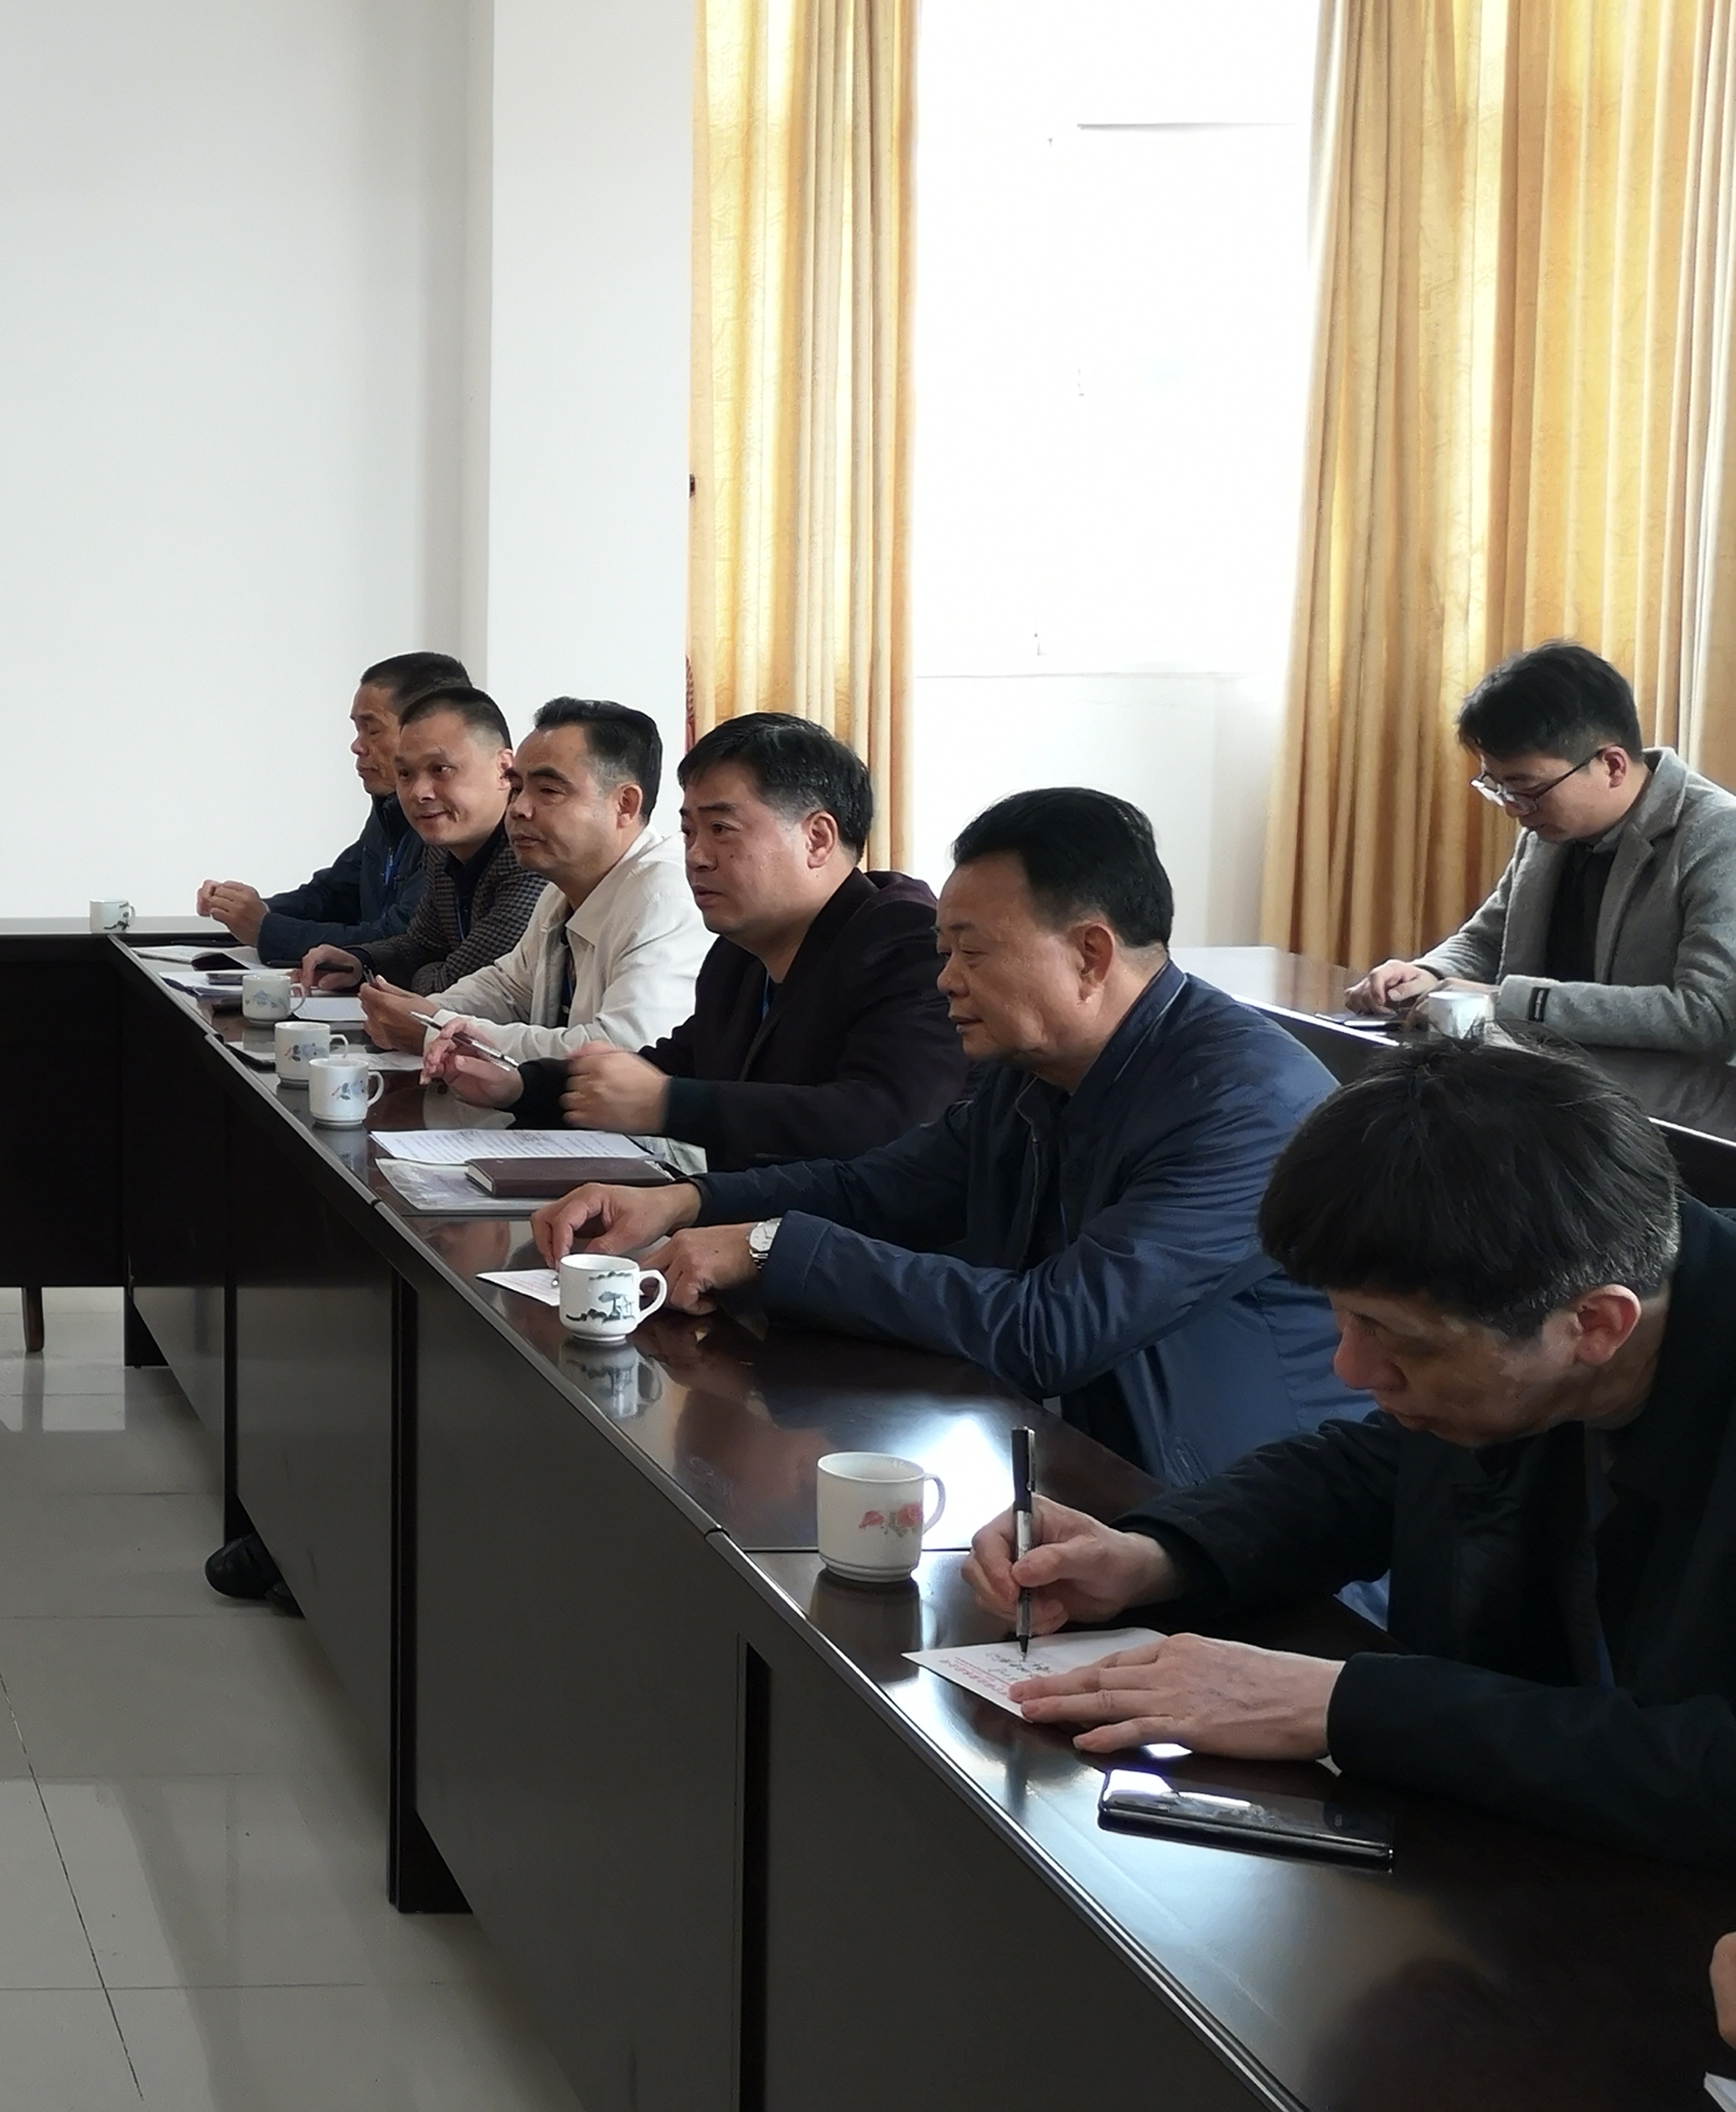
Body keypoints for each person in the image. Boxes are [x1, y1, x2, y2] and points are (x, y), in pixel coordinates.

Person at [968, 1044, 1736, 1872]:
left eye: (1400, 1339)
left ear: (1595, 1325)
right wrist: (1151, 1555)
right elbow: (1374, 1473)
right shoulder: (1544, 1298)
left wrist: (1347, 1706)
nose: (1351, 1370)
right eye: (1343, 1318)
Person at [530, 787, 1359, 1485]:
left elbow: (1052, 1330)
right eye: (941, 951)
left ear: (1089, 955)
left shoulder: (1243, 1105)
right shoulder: (1032, 1072)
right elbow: (878, 1189)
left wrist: (766, 1249)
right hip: (1072, 1476)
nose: (946, 981)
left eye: (972, 953)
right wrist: (683, 1202)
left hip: (1231, 1522)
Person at [433, 712, 966, 1174]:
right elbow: (673, 1065)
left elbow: (883, 1120)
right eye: (689, 832)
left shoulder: (909, 945)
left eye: (722, 829)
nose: (696, 857)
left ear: (817, 838)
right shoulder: (739, 955)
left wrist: (671, 1105)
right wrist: (519, 1085)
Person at [1350, 643, 1736, 1059]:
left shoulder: (1718, 835)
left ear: (1612, 766)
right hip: (1542, 1072)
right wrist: (1428, 973)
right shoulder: (1550, 824)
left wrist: (1511, 1002)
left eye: (1527, 788)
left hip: (1654, 1094)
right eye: (1499, 787)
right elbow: (1490, 939)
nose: (1514, 809)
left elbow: (1707, 1015)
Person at [392, 696, 704, 1065]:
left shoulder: (665, 898)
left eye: (549, 791)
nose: (518, 808)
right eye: (517, 788)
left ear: (625, 805)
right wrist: (424, 1014)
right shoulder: (560, 890)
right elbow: (508, 988)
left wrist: (439, 1030)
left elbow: (622, 1052)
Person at [196, 651, 470, 968]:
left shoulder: (444, 823)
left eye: (372, 730)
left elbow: (400, 937)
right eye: (357, 729)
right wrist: (248, 909)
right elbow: (336, 893)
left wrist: (265, 929)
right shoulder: (389, 806)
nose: (357, 746)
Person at [297, 684, 545, 1004]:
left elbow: (455, 988)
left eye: (441, 769)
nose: (419, 792)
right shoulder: (442, 849)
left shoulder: (530, 857)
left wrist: (424, 973)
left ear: (503, 770)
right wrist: (361, 961)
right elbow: (421, 944)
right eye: (404, 774)